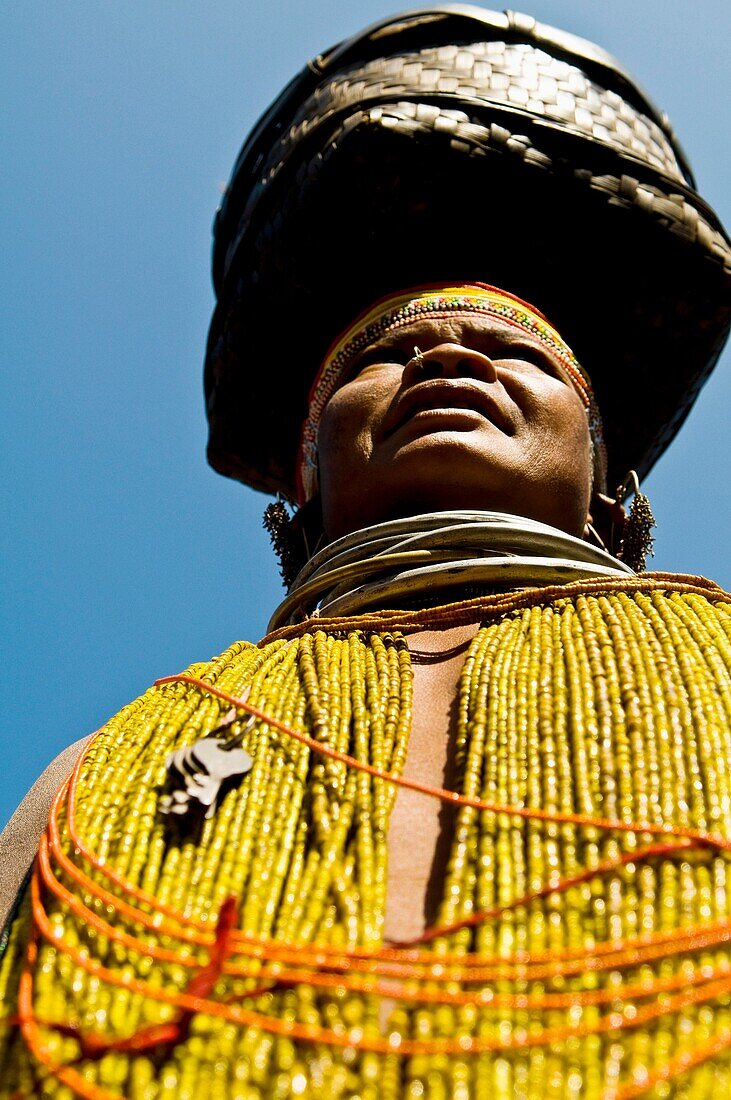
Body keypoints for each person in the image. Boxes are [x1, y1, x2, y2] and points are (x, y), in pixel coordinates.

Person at [2, 8, 731, 1098]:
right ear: (300, 487)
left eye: (509, 351)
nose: (443, 355)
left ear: (609, 480)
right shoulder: (115, 757)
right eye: (382, 358)